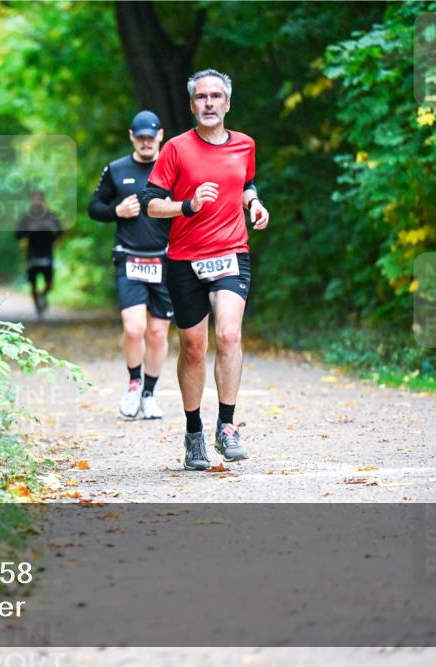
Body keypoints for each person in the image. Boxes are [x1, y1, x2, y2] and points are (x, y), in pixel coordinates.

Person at [141, 69, 270, 470]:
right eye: (202, 97)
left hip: (232, 252)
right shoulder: (176, 149)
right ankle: (194, 433)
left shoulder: (245, 145)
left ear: (227, 103)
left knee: (229, 334)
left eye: (216, 96)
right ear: (193, 104)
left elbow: (246, 182)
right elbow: (150, 203)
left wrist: (254, 203)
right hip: (184, 259)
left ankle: (227, 426)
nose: (209, 103)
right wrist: (188, 205)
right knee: (194, 349)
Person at [88, 110, 173, 420]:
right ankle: (134, 383)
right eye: (141, 138)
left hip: (165, 260)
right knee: (134, 329)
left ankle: (150, 394)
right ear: (132, 137)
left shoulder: (172, 168)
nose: (146, 142)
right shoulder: (117, 169)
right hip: (129, 257)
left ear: (160, 135)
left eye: (151, 137)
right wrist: (116, 210)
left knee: (158, 334)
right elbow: (94, 208)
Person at [16, 191, 63, 317]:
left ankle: (43, 295)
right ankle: (38, 306)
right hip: (31, 253)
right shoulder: (26, 218)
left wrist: (53, 239)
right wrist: (27, 232)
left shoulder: (51, 216)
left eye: (39, 199)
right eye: (34, 199)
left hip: (47, 252)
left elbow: (60, 232)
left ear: (43, 201)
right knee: (33, 283)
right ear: (30, 201)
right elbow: (17, 235)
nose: (36, 202)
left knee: (49, 282)